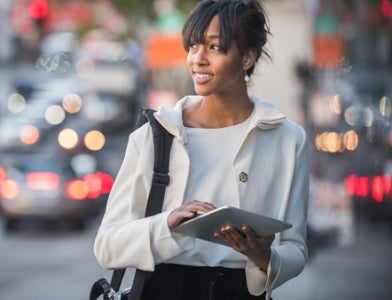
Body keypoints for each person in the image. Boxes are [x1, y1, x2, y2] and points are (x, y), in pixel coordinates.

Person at [94, 0, 309, 299]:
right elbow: (106, 246)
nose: (198, 59)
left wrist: (263, 257)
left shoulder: (288, 140)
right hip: (162, 289)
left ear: (247, 57)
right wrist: (167, 224)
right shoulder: (155, 135)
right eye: (193, 47)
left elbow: (296, 249)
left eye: (215, 47)